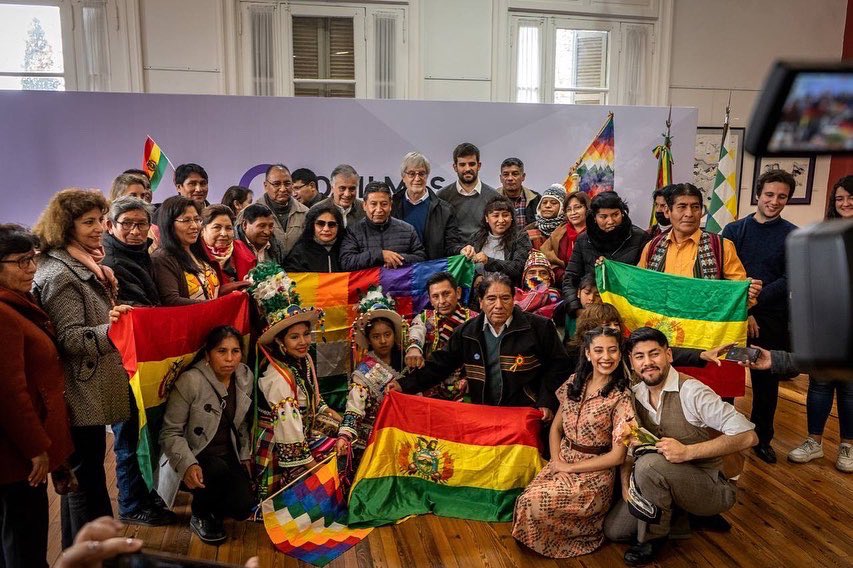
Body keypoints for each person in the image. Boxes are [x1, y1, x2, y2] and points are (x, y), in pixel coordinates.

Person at [31, 189, 135, 547]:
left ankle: (81, 552)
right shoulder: (60, 273)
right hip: (78, 390)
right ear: (66, 226)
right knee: (84, 482)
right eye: (88, 222)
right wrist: (115, 329)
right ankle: (91, 554)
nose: (99, 228)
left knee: (85, 476)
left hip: (89, 385)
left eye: (100, 220)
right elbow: (69, 339)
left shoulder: (84, 263)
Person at [603, 327, 758, 566]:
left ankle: (655, 538)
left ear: (669, 355)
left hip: (710, 484)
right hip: (662, 478)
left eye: (654, 354)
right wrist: (625, 486)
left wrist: (688, 452)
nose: (647, 362)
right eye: (640, 356)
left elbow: (749, 436)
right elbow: (630, 448)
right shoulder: (635, 394)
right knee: (615, 531)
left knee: (649, 465)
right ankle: (683, 515)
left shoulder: (692, 392)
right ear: (631, 362)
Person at [512, 326, 634, 558]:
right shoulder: (574, 383)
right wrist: (557, 462)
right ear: (587, 353)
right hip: (563, 460)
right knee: (524, 501)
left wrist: (570, 468)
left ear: (620, 354)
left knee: (535, 503)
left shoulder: (621, 397)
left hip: (594, 474)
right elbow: (556, 429)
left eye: (612, 350)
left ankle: (578, 536)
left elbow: (618, 456)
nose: (606, 357)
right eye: (599, 350)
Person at [390, 272, 570, 418]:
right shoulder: (467, 332)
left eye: (505, 298)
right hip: (483, 413)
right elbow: (440, 365)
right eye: (491, 299)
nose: (498, 305)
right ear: (481, 302)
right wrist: (403, 385)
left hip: (525, 413)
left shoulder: (539, 327)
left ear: (513, 299)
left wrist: (546, 401)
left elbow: (559, 365)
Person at [0, 224, 74, 568]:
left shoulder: (19, 302)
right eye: (21, 261)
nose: (32, 268)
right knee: (24, 545)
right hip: (16, 455)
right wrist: (36, 448)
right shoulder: (4, 314)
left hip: (20, 449)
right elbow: (9, 393)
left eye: (33, 258)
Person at [721, 170, 798, 464]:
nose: (774, 201)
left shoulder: (793, 235)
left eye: (782, 197)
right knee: (728, 378)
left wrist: (756, 300)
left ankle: (762, 438)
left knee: (766, 383)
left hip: (771, 320)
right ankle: (724, 433)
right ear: (757, 194)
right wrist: (746, 311)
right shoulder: (733, 230)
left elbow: (790, 278)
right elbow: (724, 274)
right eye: (769, 194)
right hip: (736, 319)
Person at [249, 263, 342, 500]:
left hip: (303, 430)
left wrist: (339, 420)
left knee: (350, 437)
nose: (303, 342)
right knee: (336, 462)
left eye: (306, 334)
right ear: (280, 341)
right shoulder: (277, 376)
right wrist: (315, 468)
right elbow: (288, 432)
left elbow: (315, 401)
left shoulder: (304, 360)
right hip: (282, 445)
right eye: (294, 337)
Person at [158, 326, 255, 544]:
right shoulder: (191, 381)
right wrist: (187, 464)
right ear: (207, 355)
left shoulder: (244, 377)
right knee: (214, 470)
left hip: (227, 453)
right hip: (196, 454)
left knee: (243, 507)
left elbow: (241, 423)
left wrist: (245, 455)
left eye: (235, 351)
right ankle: (200, 513)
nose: (230, 359)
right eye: (222, 351)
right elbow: (170, 432)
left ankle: (215, 500)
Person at [786, 174, 852, 472]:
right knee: (820, 384)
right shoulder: (822, 235)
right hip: (826, 322)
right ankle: (813, 441)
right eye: (839, 198)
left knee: (850, 389)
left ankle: (848, 446)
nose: (845, 203)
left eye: (851, 198)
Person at [336, 288, 406, 468]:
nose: (383, 341)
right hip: (374, 438)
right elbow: (355, 407)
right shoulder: (364, 372)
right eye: (376, 336)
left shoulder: (406, 361)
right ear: (368, 340)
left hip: (404, 432)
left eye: (387, 334)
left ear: (394, 335)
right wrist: (345, 435)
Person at [562, 192, 649, 315]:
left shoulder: (640, 238)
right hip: (591, 309)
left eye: (615, 215)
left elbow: (645, 280)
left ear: (622, 213)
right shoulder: (584, 240)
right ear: (594, 218)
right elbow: (570, 278)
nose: (610, 221)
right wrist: (577, 310)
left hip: (630, 310)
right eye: (603, 217)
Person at [405, 272, 476, 400]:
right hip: (430, 389)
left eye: (446, 294)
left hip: (465, 391)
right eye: (435, 296)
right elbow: (416, 330)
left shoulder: (474, 319)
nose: (442, 301)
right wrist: (414, 347)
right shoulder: (424, 318)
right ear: (430, 299)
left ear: (458, 293)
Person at [391, 151, 463, 260]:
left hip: (431, 268)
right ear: (403, 177)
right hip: (400, 268)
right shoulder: (391, 206)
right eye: (411, 174)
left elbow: (451, 246)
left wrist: (461, 250)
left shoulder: (445, 210)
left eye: (421, 173)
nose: (417, 178)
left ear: (427, 175)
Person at [340, 181, 426, 270]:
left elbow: (421, 258)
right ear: (364, 206)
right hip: (368, 279)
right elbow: (346, 262)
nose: (379, 209)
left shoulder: (408, 229)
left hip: (399, 279)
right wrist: (380, 256)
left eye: (384, 204)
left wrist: (395, 259)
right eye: (373, 204)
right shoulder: (353, 231)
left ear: (390, 205)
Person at [151, 196, 221, 305]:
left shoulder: (197, 252)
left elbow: (212, 291)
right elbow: (171, 301)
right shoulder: (161, 259)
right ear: (169, 224)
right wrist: (214, 306)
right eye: (186, 220)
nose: (194, 226)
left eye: (197, 220)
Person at [460, 195, 532, 284]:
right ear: (487, 218)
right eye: (496, 215)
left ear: (512, 218)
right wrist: (476, 277)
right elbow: (466, 267)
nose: (501, 220)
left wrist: (488, 261)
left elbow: (518, 268)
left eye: (505, 215)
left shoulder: (521, 237)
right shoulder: (476, 237)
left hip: (509, 288)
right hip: (481, 290)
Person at [103, 196, 160, 306]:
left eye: (142, 224)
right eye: (127, 224)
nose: (135, 232)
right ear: (110, 226)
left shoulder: (138, 250)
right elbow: (139, 308)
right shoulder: (114, 264)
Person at [437, 142, 499, 241]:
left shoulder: (493, 196)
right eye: (462, 164)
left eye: (472, 164)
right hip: (453, 249)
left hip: (484, 249)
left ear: (479, 166)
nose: (467, 169)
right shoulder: (442, 196)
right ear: (455, 167)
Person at [200, 204, 256, 285]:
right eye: (217, 227)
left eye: (228, 228)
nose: (224, 233)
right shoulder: (194, 254)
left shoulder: (242, 250)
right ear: (202, 230)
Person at [541, 191, 589, 284]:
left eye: (578, 207)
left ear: (587, 208)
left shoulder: (596, 232)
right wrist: (563, 276)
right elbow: (547, 259)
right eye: (569, 209)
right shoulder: (559, 233)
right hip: (564, 284)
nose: (573, 213)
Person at [260, 163, 308, 256]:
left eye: (287, 184)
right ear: (265, 186)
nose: (283, 189)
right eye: (276, 184)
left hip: (298, 265)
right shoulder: (250, 213)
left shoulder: (305, 213)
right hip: (264, 265)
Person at [284, 203, 345, 272]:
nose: (326, 229)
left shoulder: (346, 249)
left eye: (332, 224)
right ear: (312, 225)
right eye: (320, 224)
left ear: (339, 227)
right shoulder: (299, 253)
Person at [514, 250, 562, 319]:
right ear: (525, 277)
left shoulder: (554, 297)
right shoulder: (515, 296)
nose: (537, 276)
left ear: (550, 277)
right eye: (532, 273)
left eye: (543, 273)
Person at [496, 157, 540, 228]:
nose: (510, 178)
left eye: (515, 174)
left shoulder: (536, 199)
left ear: (523, 177)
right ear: (501, 178)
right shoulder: (491, 198)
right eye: (506, 174)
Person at [524, 184, 566, 251]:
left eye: (553, 203)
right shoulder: (528, 230)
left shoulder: (568, 229)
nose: (547, 206)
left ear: (562, 208)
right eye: (544, 202)